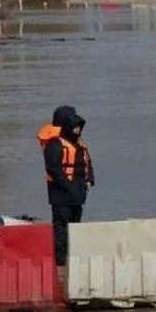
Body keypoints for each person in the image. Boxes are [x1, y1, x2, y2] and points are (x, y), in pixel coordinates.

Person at [37, 106, 94, 265]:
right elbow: (53, 169)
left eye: (79, 126)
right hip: (61, 195)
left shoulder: (79, 143)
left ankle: (73, 256)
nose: (78, 129)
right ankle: (60, 261)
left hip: (77, 193)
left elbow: (87, 163)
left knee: (75, 227)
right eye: (75, 125)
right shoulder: (55, 145)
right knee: (61, 228)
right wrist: (68, 186)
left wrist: (89, 180)